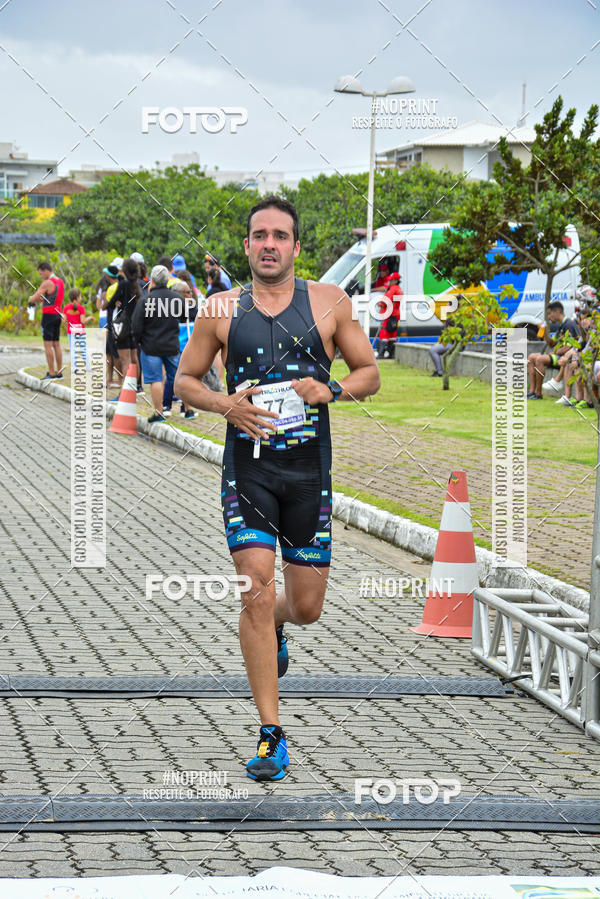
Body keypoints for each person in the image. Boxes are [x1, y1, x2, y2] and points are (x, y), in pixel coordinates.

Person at [175, 195, 380, 782]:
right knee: (255, 592)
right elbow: (187, 380)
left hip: (309, 472)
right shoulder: (218, 309)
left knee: (306, 606)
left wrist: (332, 391)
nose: (268, 244)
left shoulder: (330, 302)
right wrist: (224, 404)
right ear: (246, 246)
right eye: (258, 235)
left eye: (279, 236)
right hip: (249, 470)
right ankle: (271, 735)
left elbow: (370, 372)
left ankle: (282, 625)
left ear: (295, 246)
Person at [131, 265, 183, 423]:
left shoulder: (145, 300)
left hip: (151, 346)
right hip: (172, 345)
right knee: (180, 378)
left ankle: (159, 412)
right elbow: (183, 318)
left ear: (152, 280)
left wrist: (139, 341)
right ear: (167, 280)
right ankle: (188, 409)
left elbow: (136, 326)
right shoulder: (177, 299)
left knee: (156, 380)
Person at [527, 301, 579, 399]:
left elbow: (568, 347)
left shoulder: (569, 324)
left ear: (557, 312)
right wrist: (545, 332)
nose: (549, 317)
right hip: (558, 355)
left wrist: (554, 352)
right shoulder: (561, 325)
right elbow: (552, 343)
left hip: (564, 357)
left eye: (550, 314)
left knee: (539, 359)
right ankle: (532, 391)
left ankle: (538, 394)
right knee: (531, 357)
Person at [107, 258, 141, 392]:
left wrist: (114, 302)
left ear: (125, 270)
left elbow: (110, 303)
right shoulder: (137, 285)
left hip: (123, 326)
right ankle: (136, 387)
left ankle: (127, 392)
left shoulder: (123, 285)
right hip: (135, 325)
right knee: (134, 359)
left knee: (125, 360)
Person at [28, 261, 65, 379]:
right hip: (57, 314)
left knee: (48, 345)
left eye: (40, 273)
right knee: (57, 345)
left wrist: (30, 299)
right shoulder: (60, 281)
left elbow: (35, 297)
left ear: (46, 270)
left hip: (48, 316)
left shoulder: (47, 282)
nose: (40, 276)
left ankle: (52, 373)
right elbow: (52, 297)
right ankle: (59, 372)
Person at [63, 288, 94, 369]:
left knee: (73, 350)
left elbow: (64, 321)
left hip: (71, 332)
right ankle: (88, 367)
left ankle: (75, 368)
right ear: (77, 297)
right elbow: (83, 321)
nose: (81, 298)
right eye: (80, 296)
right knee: (83, 349)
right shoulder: (81, 308)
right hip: (80, 332)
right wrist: (90, 318)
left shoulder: (66, 308)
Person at [375, 272, 403, 359]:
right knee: (392, 334)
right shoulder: (399, 289)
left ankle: (381, 353)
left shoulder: (392, 289)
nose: (389, 282)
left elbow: (385, 301)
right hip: (395, 314)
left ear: (395, 280)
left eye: (390, 280)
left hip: (388, 314)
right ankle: (392, 353)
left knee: (384, 333)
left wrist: (380, 303)